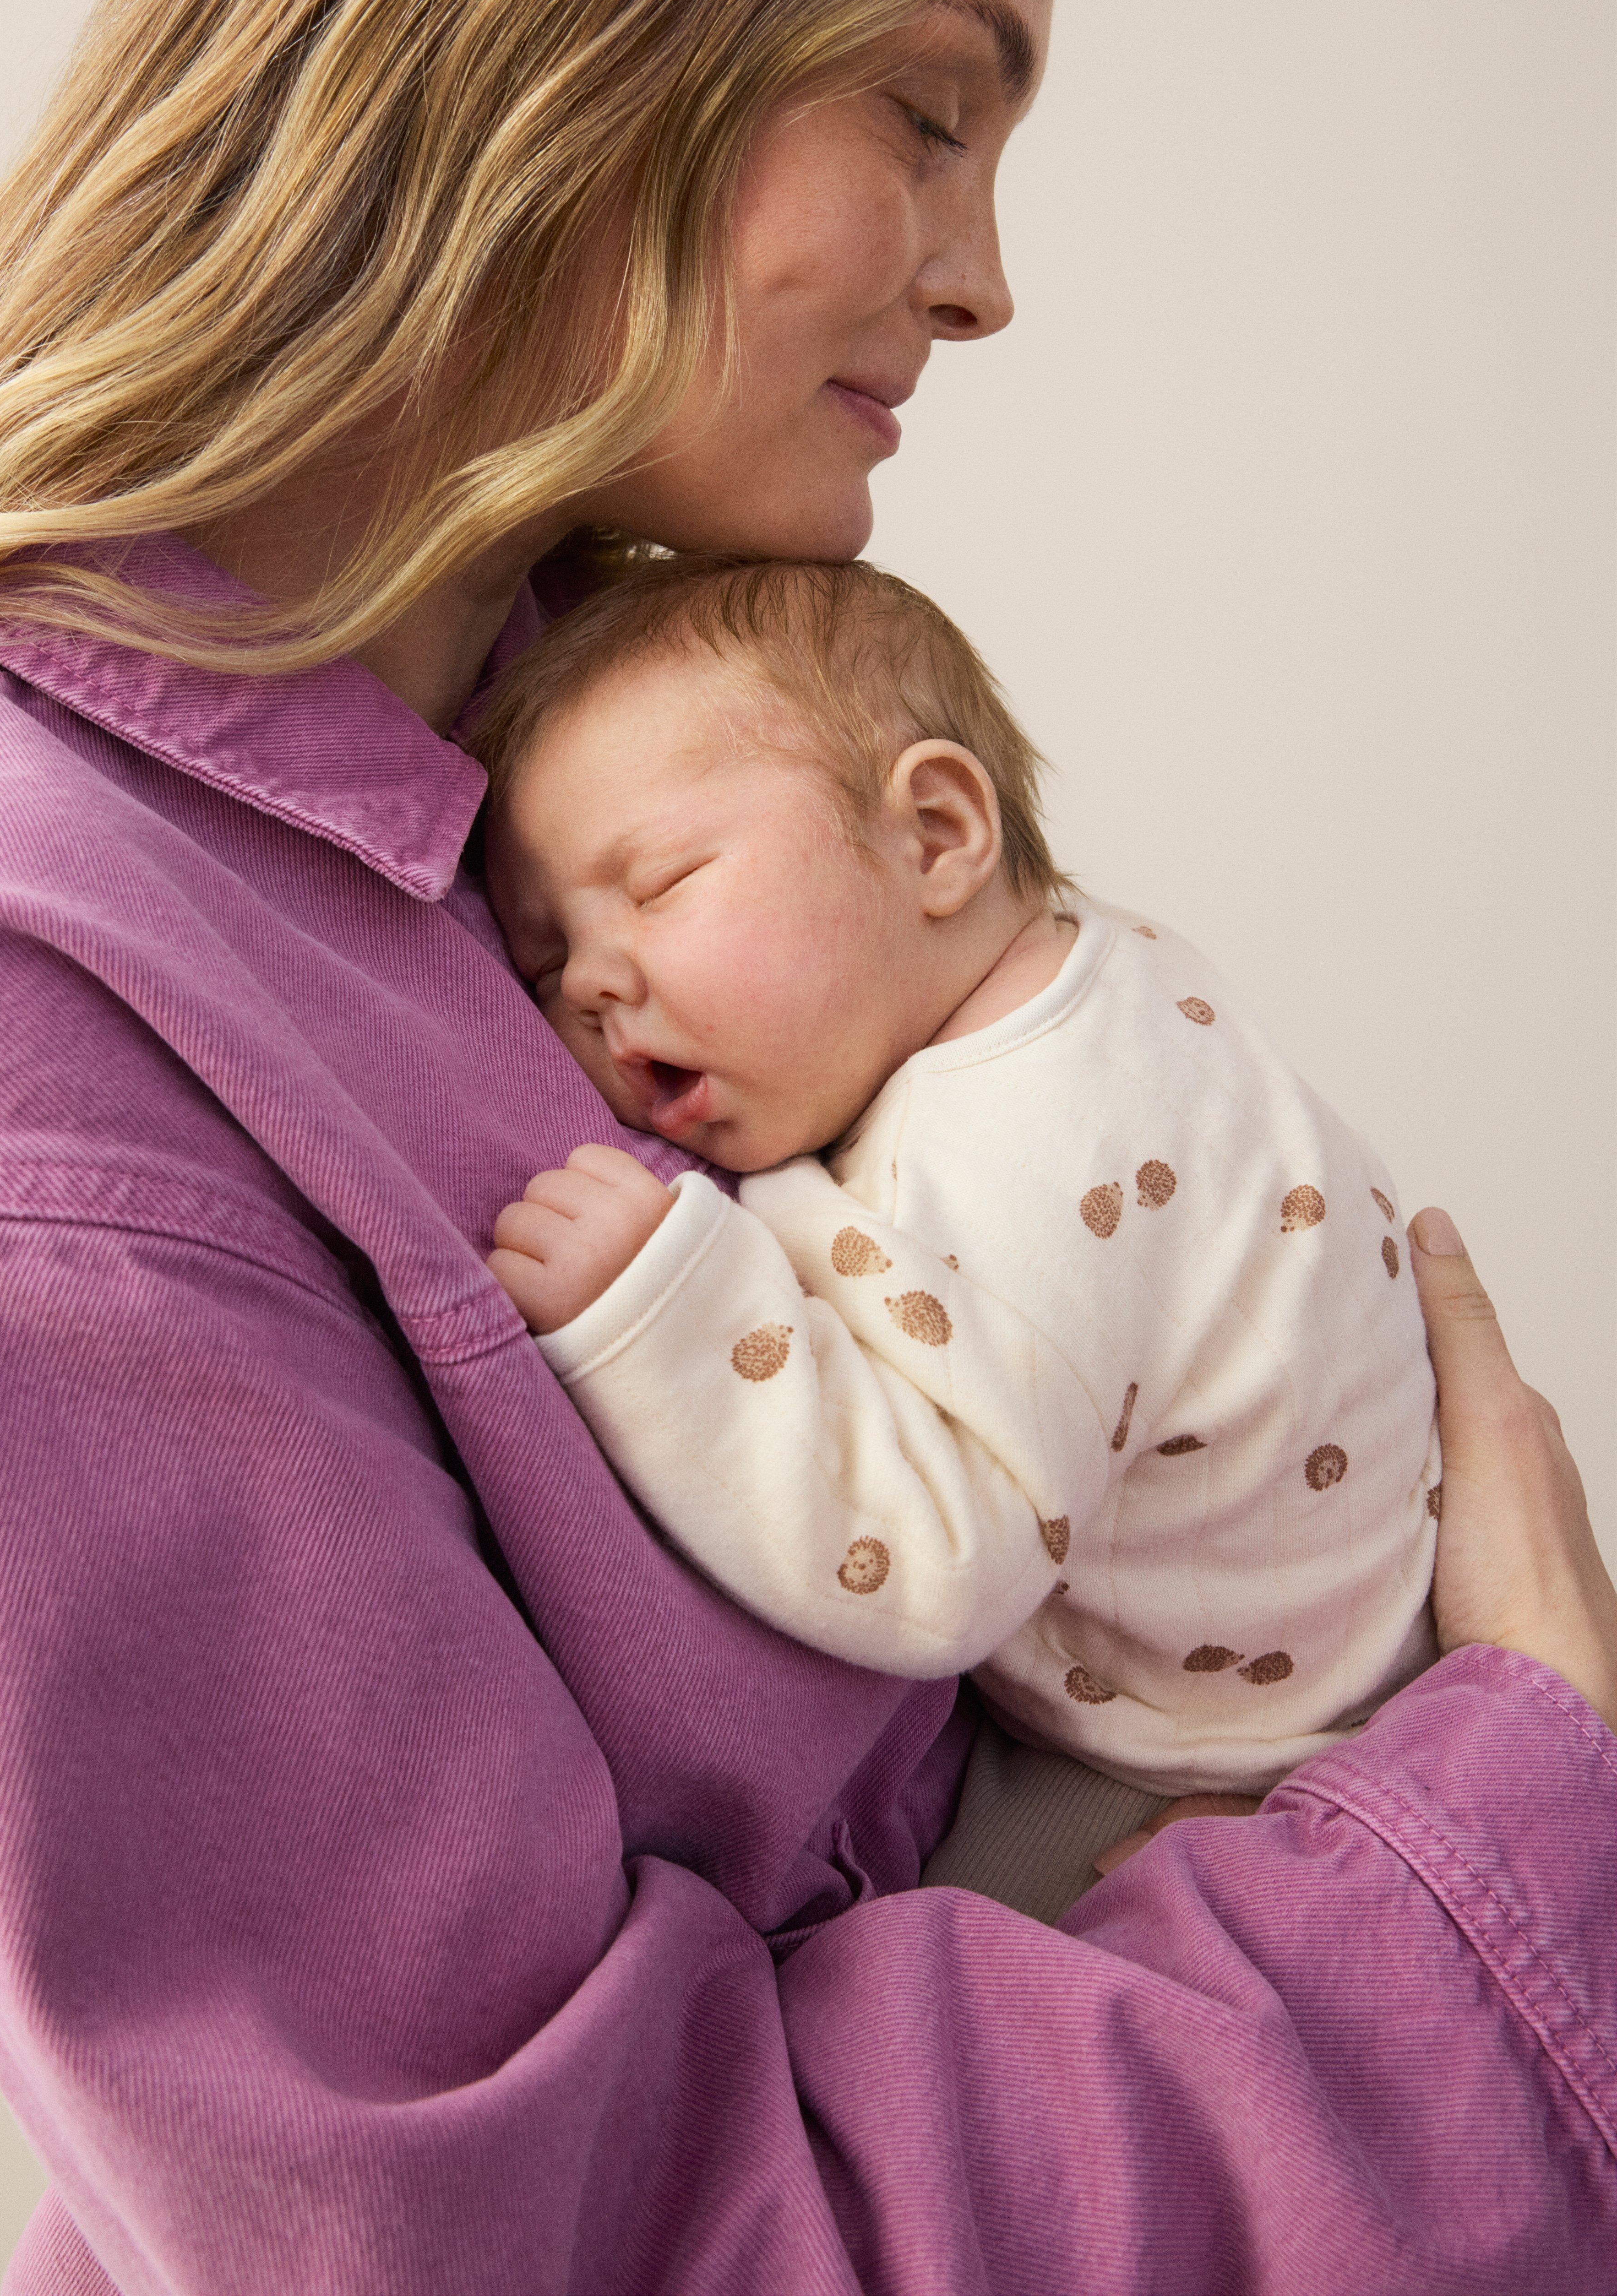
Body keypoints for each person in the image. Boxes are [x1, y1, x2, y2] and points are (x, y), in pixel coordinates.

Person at [0, 0, 1611, 2289]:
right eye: (930, 111)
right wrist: (1515, 1814)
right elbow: (555, 2236)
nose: (984, 278)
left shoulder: (581, 749)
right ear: (568, 26)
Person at [472, 554, 1442, 1872]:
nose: (591, 981)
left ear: (935, 835)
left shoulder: (1013, 1144)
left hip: (1213, 1764)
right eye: (544, 959)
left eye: (658, 886)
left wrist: (668, 1315)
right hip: (1369, 1672)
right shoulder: (1091, 984)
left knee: (919, 1967)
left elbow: (930, 1562)